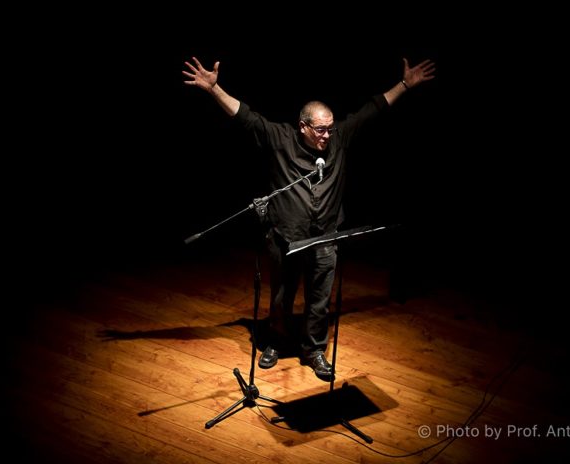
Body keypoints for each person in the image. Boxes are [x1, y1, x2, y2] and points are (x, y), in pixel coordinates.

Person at [183, 56, 435, 380]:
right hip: (286, 238)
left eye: (330, 129)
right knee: (281, 296)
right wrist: (214, 89)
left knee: (319, 301)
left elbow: (374, 110)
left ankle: (314, 350)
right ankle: (274, 340)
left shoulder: (339, 139)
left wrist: (404, 85)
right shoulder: (280, 139)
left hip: (326, 239)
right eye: (320, 130)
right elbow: (245, 117)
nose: (327, 136)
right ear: (303, 127)